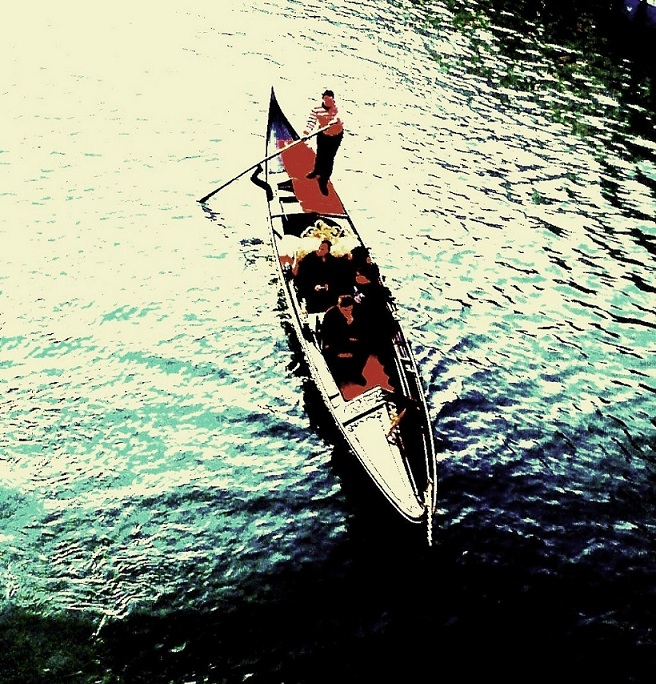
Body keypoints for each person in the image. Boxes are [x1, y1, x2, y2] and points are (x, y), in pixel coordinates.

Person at [303, 89, 344, 196]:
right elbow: (311, 121)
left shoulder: (337, 108)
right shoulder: (317, 109)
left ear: (333, 99)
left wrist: (335, 121)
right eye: (326, 99)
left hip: (336, 136)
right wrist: (306, 133)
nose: (329, 102)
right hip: (323, 134)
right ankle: (316, 171)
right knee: (320, 154)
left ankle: (324, 180)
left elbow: (340, 117)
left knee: (329, 158)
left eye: (330, 100)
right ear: (323, 99)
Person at [321, 294, 367, 386]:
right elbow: (329, 335)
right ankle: (335, 376)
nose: (348, 312)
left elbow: (361, 331)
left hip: (347, 339)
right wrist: (346, 325)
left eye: (350, 309)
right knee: (329, 354)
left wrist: (352, 323)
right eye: (345, 310)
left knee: (364, 349)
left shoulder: (355, 313)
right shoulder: (330, 315)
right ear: (339, 307)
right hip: (333, 342)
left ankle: (356, 373)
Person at [294, 239, 341, 313]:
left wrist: (328, 285)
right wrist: (313, 286)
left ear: (328, 250)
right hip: (311, 289)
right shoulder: (310, 258)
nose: (320, 251)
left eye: (322, 249)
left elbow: (335, 276)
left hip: (327, 292)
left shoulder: (332, 261)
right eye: (319, 248)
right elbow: (304, 276)